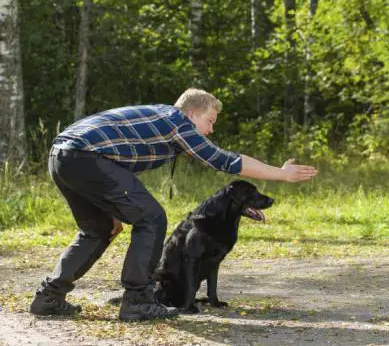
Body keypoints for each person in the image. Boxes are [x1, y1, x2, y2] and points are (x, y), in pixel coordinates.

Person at [29, 88, 318, 321]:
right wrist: (280, 174)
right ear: (192, 113)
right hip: (84, 157)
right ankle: (139, 301)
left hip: (63, 157)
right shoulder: (177, 121)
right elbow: (225, 160)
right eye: (210, 121)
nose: (211, 129)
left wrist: (109, 211)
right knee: (152, 218)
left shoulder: (159, 121)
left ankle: (48, 298)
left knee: (100, 228)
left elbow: (111, 159)